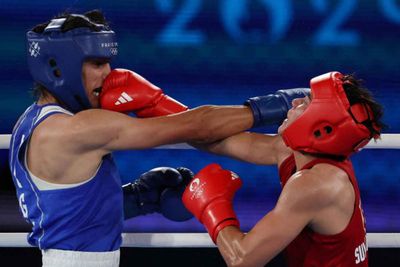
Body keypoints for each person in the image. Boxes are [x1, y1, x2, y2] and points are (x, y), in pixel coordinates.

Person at [9, 10, 308, 267]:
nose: (109, 73)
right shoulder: (78, 129)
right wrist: (283, 103)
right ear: (58, 68)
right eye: (97, 63)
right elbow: (198, 127)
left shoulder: (32, 122)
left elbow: (61, 208)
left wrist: (138, 199)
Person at [182, 71, 385, 267]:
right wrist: (158, 105)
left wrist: (213, 207)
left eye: (305, 103)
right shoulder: (303, 155)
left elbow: (242, 259)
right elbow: (215, 139)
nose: (294, 102)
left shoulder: (317, 184)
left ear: (321, 126)